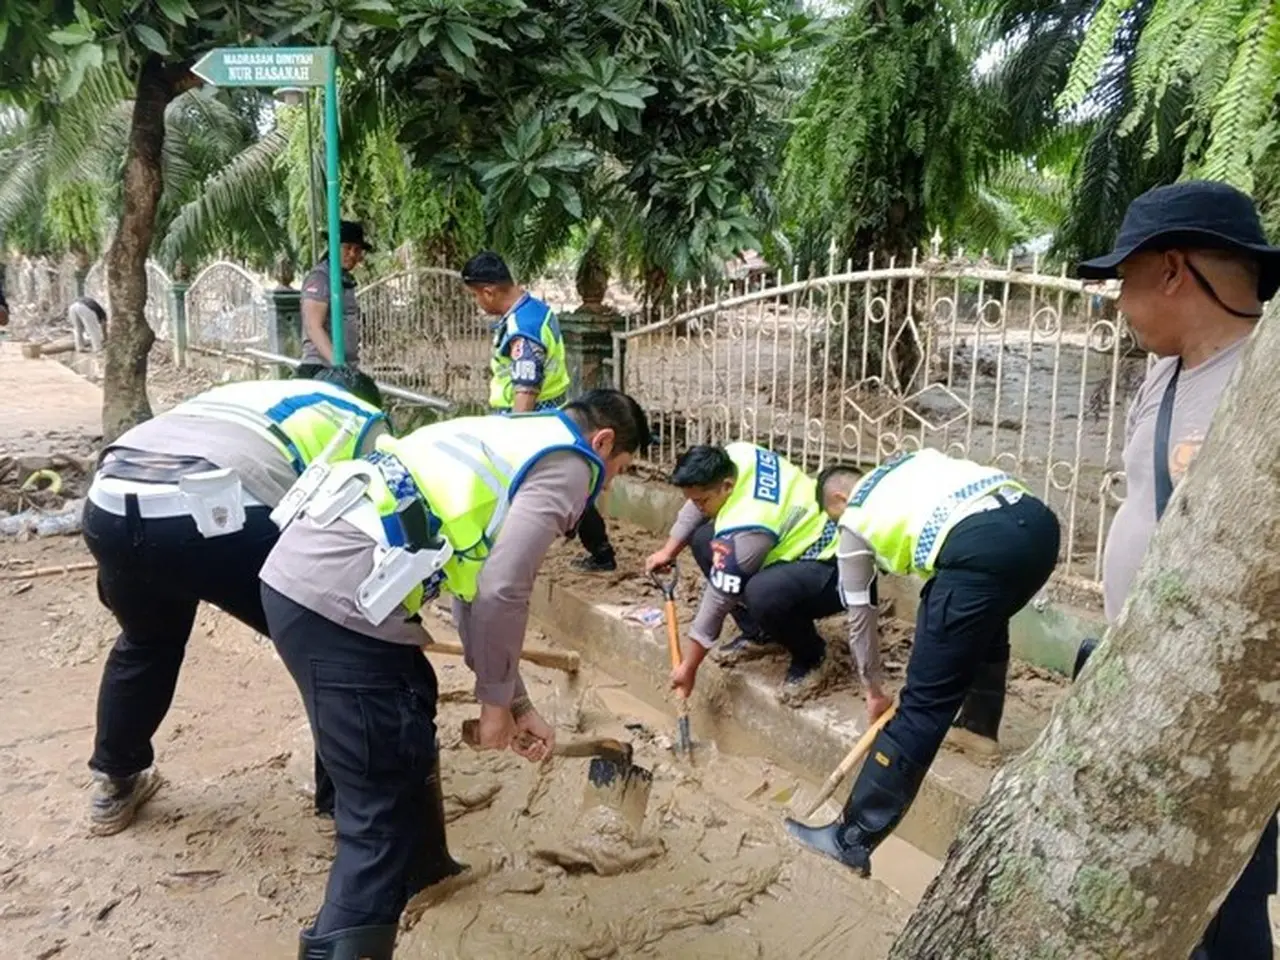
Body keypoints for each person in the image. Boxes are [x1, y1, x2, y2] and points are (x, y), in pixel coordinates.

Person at [258, 388, 649, 959]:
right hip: (338, 608)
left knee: (410, 702)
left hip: (308, 582)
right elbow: (503, 590)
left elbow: (472, 593)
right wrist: (492, 707)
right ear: (603, 442)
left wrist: (516, 704)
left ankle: (428, 872)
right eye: (616, 471)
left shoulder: (511, 436)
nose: (607, 486)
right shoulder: (570, 463)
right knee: (380, 815)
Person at [1073, 180, 1280, 960]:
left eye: (1125, 279)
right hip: (1144, 676)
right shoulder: (1163, 373)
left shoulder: (1265, 380)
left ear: (1170, 271)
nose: (1119, 301)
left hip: (1219, 706)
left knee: (1224, 902)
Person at [81, 366, 387, 837]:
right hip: (214, 514)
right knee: (332, 646)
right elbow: (367, 522)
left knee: (146, 642)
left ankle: (116, 782)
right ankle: (346, 804)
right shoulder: (361, 414)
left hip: (110, 503)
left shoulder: (248, 393)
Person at [785, 448, 1060, 875]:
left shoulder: (855, 518)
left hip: (980, 548)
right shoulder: (905, 465)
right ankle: (977, 730)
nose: (839, 528)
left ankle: (851, 838)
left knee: (922, 707)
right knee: (982, 615)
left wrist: (874, 691)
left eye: (833, 520)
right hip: (1038, 528)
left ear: (838, 501)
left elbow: (861, 617)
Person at [462, 250, 618, 573]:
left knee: (525, 487)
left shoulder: (522, 329)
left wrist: (515, 436)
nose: (478, 303)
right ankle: (600, 550)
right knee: (569, 485)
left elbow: (526, 387)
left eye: (476, 295)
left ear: (489, 291)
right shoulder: (535, 309)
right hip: (549, 417)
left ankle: (505, 556)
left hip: (532, 421)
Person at [645, 442, 843, 694]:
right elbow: (693, 507)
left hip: (831, 566)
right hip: (792, 538)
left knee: (762, 594)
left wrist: (689, 668)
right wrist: (668, 550)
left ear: (727, 486)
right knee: (703, 539)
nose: (698, 507)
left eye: (703, 501)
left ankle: (813, 655)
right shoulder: (736, 454)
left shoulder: (751, 526)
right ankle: (761, 633)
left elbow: (718, 599)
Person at [297, 221, 373, 377]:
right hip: (321, 367)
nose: (352, 254)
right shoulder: (321, 278)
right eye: (347, 248)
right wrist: (339, 366)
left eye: (357, 250)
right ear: (334, 247)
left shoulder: (345, 279)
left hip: (342, 368)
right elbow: (313, 327)